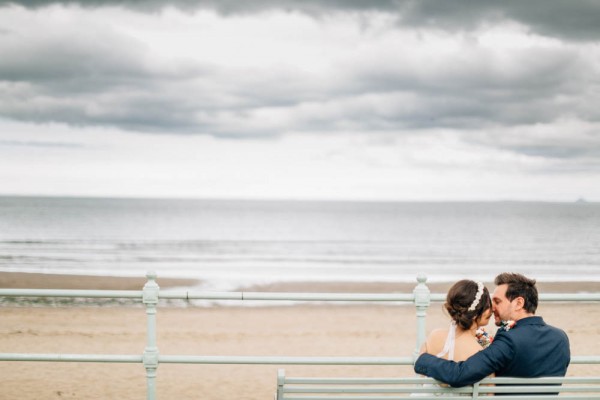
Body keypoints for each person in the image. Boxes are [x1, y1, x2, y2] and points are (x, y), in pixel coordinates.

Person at [414, 272, 570, 389]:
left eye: (497, 301)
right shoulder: (560, 337)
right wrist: (477, 331)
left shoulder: (509, 340)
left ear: (518, 303)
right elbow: (497, 348)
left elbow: (459, 374)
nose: (492, 308)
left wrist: (422, 359)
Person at [412, 279, 493, 397]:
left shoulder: (435, 336)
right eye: (488, 305)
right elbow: (491, 392)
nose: (491, 310)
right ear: (475, 313)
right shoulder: (483, 350)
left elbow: (424, 378)